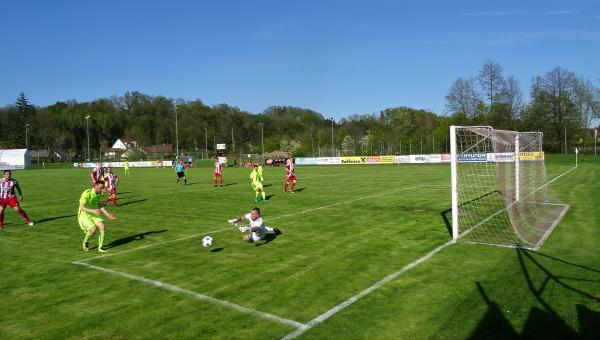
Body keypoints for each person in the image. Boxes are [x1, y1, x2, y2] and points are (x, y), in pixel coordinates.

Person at [78, 181, 116, 252]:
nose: (101, 190)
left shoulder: (98, 194)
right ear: (95, 186)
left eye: (102, 188)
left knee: (102, 225)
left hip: (93, 214)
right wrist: (93, 211)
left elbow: (100, 205)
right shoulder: (87, 193)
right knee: (93, 229)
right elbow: (81, 207)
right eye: (100, 188)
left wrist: (107, 214)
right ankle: (85, 241)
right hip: (84, 215)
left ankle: (100, 248)